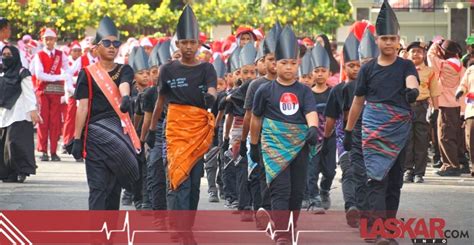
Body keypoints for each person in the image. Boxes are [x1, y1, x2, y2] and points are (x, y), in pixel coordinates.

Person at [344, 1, 420, 243]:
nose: (388, 42)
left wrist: (412, 92)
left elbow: (412, 81)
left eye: (392, 38)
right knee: (376, 180)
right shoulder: (367, 70)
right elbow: (358, 102)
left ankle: (387, 230)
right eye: (384, 38)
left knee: (394, 182)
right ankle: (378, 233)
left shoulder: (406, 65)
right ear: (377, 40)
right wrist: (348, 130)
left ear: (399, 40)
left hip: (398, 131)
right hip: (373, 129)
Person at [147, 5, 217, 242]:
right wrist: (152, 128)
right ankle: (180, 230)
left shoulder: (207, 68)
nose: (188, 47)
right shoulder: (168, 69)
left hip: (198, 129)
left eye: (193, 42)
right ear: (178, 44)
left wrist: (211, 98)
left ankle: (187, 226)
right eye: (184, 42)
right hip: (175, 129)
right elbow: (161, 100)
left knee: (195, 183)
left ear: (198, 44)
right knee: (178, 179)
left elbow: (212, 90)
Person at [249, 25, 318, 245]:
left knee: (297, 192)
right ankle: (282, 233)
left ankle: (290, 225)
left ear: (298, 63)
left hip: (299, 147)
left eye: (292, 63)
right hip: (272, 147)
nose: (288, 68)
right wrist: (253, 144)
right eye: (283, 63)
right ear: (274, 64)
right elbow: (256, 119)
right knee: (280, 190)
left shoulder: (304, 91)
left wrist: (313, 128)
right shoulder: (264, 90)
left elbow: (310, 112)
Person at [70, 16, 141, 210]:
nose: (112, 47)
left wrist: (125, 98)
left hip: (118, 136)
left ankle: (108, 237)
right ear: (96, 47)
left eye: (116, 43)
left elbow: (125, 84)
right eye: (107, 43)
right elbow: (82, 107)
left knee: (112, 191)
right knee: (98, 188)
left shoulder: (124, 69)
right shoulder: (87, 72)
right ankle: (96, 238)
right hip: (94, 138)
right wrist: (76, 139)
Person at [241, 22, 280, 229]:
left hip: (285, 139)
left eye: (278, 59)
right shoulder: (256, 85)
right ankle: (262, 210)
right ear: (264, 61)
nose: (275, 63)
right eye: (271, 59)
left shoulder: (294, 84)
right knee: (261, 176)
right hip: (262, 138)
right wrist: (247, 141)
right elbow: (249, 116)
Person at [340, 26, 378, 229]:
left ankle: (378, 220)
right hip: (355, 135)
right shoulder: (347, 88)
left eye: (369, 63)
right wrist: (346, 133)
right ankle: (363, 217)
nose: (364, 68)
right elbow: (344, 114)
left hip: (381, 136)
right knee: (357, 175)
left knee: (379, 181)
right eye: (362, 64)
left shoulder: (387, 82)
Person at [322, 31, 361, 222]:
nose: (355, 69)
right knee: (349, 170)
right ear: (344, 66)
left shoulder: (371, 87)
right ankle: (351, 206)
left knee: (365, 174)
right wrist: (326, 138)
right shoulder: (337, 90)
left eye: (359, 66)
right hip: (342, 137)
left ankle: (364, 208)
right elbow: (330, 117)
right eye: (351, 66)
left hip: (368, 136)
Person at [32, 27, 74, 162]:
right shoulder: (39, 55)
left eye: (52, 39)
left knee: (55, 123)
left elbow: (68, 71)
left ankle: (54, 151)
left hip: (56, 92)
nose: (49, 42)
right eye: (47, 39)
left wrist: (64, 78)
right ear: (43, 40)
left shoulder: (61, 55)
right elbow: (39, 75)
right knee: (43, 121)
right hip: (44, 92)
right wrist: (58, 77)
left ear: (55, 40)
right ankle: (43, 150)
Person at [0, 45, 41, 183]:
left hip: (20, 113)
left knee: (15, 143)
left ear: (16, 56)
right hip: (5, 113)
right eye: (4, 54)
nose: (6, 57)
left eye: (9, 54)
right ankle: (9, 173)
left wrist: (33, 110)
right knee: (5, 145)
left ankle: (21, 171)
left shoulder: (23, 72)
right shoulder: (2, 72)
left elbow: (29, 93)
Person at [306, 42, 337, 215]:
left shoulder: (333, 92)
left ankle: (324, 189)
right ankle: (314, 198)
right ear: (312, 73)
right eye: (316, 70)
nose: (319, 74)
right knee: (312, 170)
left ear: (329, 73)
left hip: (329, 137)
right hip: (312, 139)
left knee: (330, 170)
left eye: (323, 71)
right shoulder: (307, 93)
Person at [428, 39, 467, 176]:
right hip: (457, 106)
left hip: (445, 105)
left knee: (445, 136)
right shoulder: (461, 66)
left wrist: (435, 44)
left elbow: (430, 56)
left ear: (444, 52)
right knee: (454, 136)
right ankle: (456, 163)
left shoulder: (444, 65)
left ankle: (450, 165)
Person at [403, 41, 440, 183]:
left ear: (424, 54)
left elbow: (435, 92)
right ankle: (408, 170)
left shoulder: (430, 71)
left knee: (421, 141)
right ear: (408, 54)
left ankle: (419, 172)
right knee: (407, 140)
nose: (416, 54)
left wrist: (436, 110)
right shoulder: (403, 70)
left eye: (419, 51)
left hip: (422, 107)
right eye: (413, 51)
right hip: (405, 107)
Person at [456, 64, 474, 177]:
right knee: (471, 141)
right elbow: (464, 84)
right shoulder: (471, 69)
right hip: (472, 110)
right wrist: (460, 91)